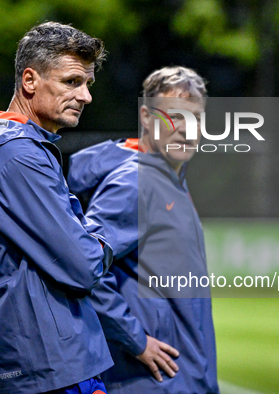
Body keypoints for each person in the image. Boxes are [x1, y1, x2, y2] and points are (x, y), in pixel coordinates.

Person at [0, 22, 114, 394]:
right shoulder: (19, 157)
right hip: (51, 363)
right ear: (30, 81)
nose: (85, 96)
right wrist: (105, 242)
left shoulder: (5, 145)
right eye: (71, 82)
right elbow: (83, 265)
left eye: (87, 84)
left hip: (29, 359)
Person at [68, 66, 219, 394]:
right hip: (151, 382)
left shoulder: (171, 180)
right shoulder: (135, 182)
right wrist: (136, 340)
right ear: (147, 118)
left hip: (182, 377)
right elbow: (83, 267)